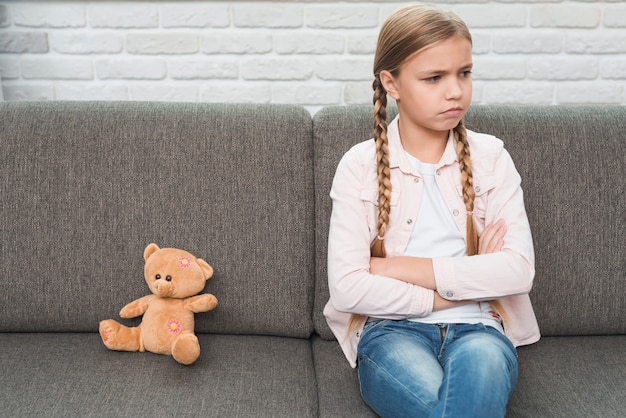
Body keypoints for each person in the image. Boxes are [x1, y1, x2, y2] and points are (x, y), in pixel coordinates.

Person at [323, 4, 541, 417]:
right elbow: (348, 289)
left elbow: (518, 272)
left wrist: (393, 267)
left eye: (464, 72)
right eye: (434, 78)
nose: (455, 90)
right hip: (391, 332)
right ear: (392, 83)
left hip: (482, 330)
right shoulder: (359, 165)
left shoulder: (491, 157)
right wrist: (468, 280)